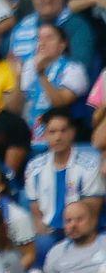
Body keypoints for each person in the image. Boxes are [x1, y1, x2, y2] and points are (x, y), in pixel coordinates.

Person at [26, 109, 103, 255]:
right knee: (41, 244)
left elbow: (93, 208)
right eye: (52, 132)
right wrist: (40, 227)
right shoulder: (33, 167)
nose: (58, 137)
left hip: (82, 230)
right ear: (45, 135)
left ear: (72, 132)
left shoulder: (90, 165)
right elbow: (35, 209)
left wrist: (75, 230)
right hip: (50, 232)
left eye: (63, 131)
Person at [10, 0, 95, 72]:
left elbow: (79, 69)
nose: (48, 0)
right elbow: (12, 65)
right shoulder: (22, 27)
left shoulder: (78, 27)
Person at [20, 24, 90, 136]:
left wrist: (41, 75)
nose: (42, 43)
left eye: (49, 38)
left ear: (62, 45)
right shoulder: (29, 66)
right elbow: (22, 104)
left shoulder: (73, 68)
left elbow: (60, 103)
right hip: (30, 133)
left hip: (60, 135)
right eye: (39, 38)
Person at [43, 201, 106, 273]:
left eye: (79, 219)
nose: (73, 225)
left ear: (93, 221)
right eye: (68, 221)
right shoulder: (56, 251)